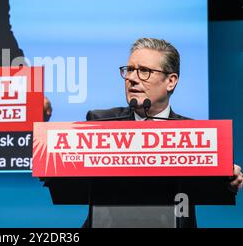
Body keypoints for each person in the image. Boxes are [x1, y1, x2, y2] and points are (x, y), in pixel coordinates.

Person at [85, 37, 243, 228]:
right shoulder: (100, 124)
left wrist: (227, 177)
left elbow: (215, 184)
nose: (132, 78)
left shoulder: (195, 134)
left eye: (144, 71)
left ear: (171, 81)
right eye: (130, 70)